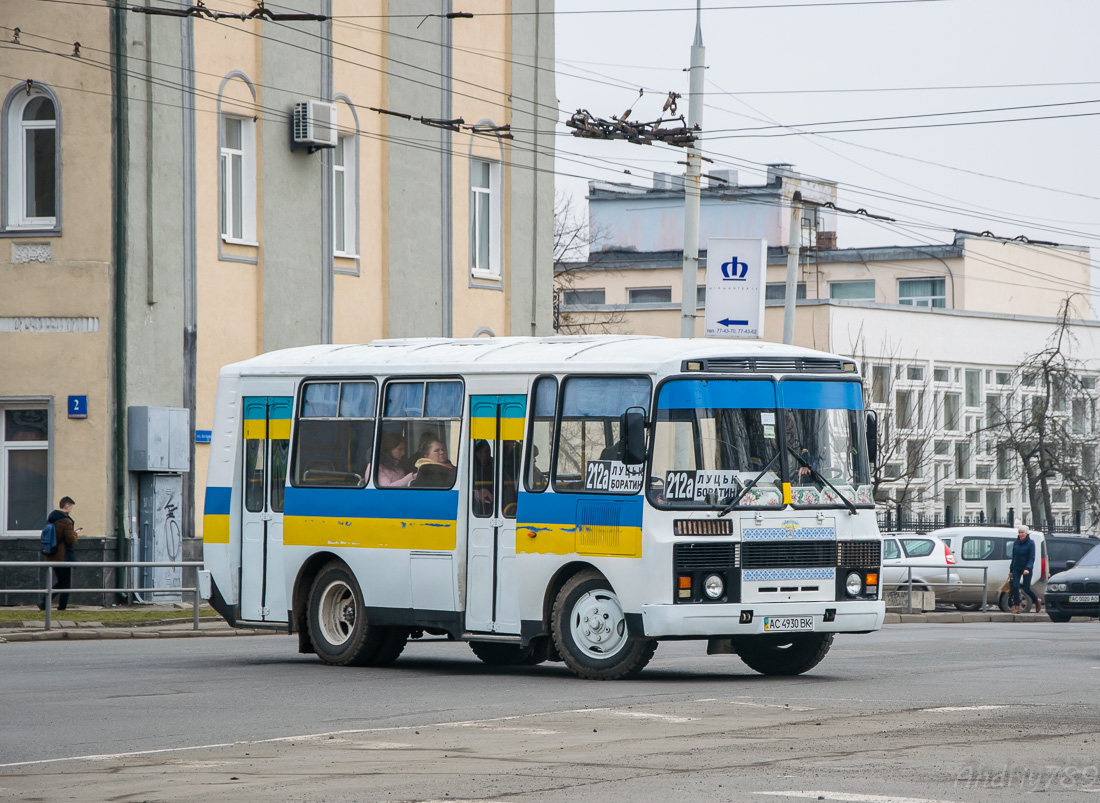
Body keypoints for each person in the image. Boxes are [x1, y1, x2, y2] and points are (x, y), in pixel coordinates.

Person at [39, 496, 81, 612]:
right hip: (64, 556)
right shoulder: (66, 521)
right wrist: (75, 534)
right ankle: (60, 607)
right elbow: (70, 540)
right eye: (71, 507)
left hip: (52, 554)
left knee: (61, 581)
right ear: (66, 506)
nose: (71, 510)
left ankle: (44, 602)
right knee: (65, 583)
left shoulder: (51, 518)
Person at [1009, 519, 1040, 614]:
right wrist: (1011, 570)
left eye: (1022, 532)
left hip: (1026, 568)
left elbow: (1032, 557)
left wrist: (1027, 568)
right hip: (1016, 567)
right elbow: (1014, 557)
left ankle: (1037, 601)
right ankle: (1017, 607)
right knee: (1015, 586)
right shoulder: (1016, 543)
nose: (1021, 534)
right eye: (1019, 532)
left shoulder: (1031, 543)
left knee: (1026, 588)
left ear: (1026, 533)